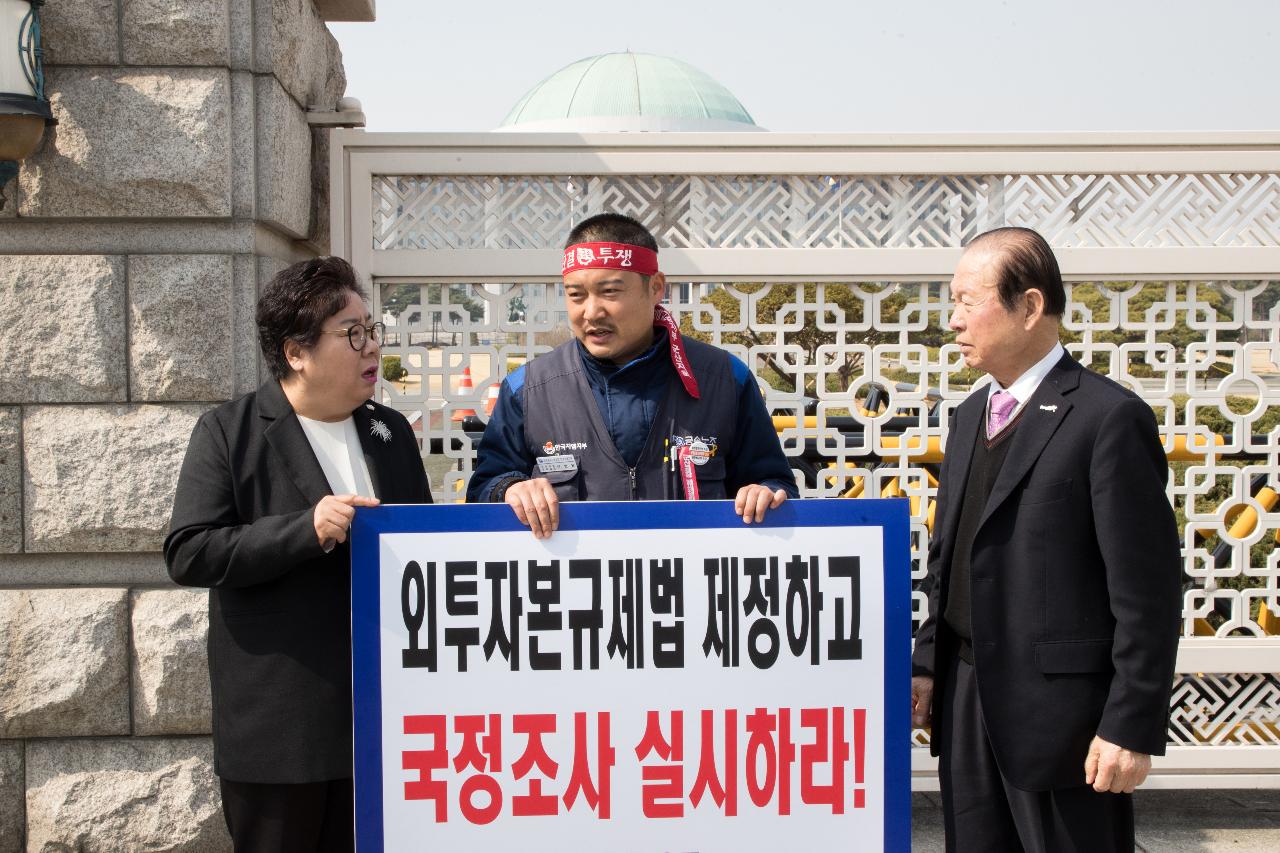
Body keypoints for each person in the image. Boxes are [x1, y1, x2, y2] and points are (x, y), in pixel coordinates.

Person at [909, 227, 1182, 852]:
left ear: (1029, 307)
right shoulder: (969, 415)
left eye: (966, 301)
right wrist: (928, 662)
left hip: (1065, 721)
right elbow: (950, 560)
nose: (952, 321)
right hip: (968, 699)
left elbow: (1148, 591)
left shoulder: (1107, 418)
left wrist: (1130, 726)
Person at [164, 257, 431, 851]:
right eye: (352, 333)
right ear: (295, 353)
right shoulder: (230, 431)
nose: (370, 348)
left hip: (384, 718)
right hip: (282, 727)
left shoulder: (391, 432)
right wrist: (303, 530)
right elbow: (189, 551)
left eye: (371, 330)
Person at [467, 212, 797, 535]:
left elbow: (777, 483)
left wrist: (765, 493)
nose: (591, 312)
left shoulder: (725, 378)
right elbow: (484, 489)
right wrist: (509, 489)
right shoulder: (527, 390)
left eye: (610, 292)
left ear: (655, 288)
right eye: (576, 295)